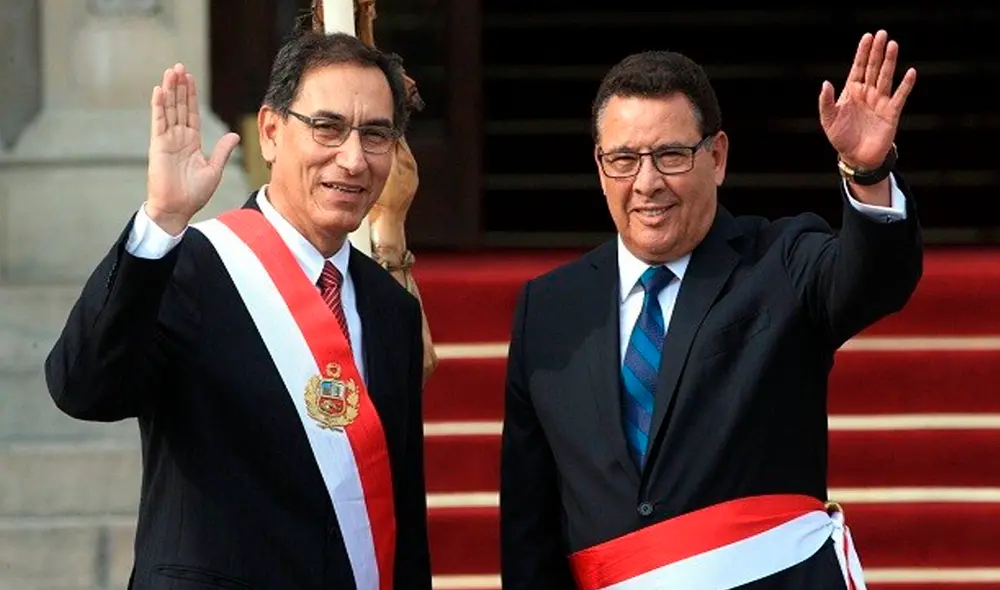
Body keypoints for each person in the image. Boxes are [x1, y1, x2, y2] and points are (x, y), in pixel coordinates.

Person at [500, 30, 920, 590]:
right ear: (600, 168)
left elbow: (875, 281)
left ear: (716, 156)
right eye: (624, 159)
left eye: (671, 155)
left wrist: (868, 173)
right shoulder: (549, 308)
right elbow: (531, 525)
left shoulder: (781, 261)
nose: (647, 183)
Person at [44, 31, 431, 590]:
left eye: (376, 134)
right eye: (327, 127)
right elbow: (81, 388)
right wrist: (161, 221)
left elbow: (400, 513)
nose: (352, 158)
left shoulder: (389, 307)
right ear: (271, 131)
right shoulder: (189, 267)